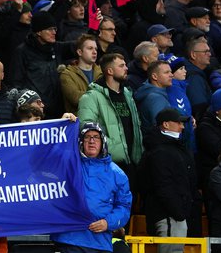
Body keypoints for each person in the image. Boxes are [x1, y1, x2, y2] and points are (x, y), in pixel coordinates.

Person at [51, 123, 131, 253]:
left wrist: (107, 223)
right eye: (87, 137)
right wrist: (61, 126)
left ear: (103, 141)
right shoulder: (68, 163)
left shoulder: (118, 174)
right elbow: (47, 155)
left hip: (100, 242)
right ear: (81, 142)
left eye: (96, 137)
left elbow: (124, 207)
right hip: (69, 240)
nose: (91, 141)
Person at [140, 108, 199, 253]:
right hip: (168, 216)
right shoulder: (159, 151)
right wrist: (178, 212)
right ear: (165, 124)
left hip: (177, 215)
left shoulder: (174, 147)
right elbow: (163, 186)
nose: (182, 126)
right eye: (179, 122)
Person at [78, 53, 143, 175]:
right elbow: (86, 126)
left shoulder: (127, 94)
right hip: (108, 163)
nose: (126, 68)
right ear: (110, 71)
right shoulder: (91, 97)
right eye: (121, 66)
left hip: (131, 162)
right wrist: (112, 147)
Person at [60, 34, 102, 114]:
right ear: (79, 52)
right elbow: (76, 98)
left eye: (96, 49)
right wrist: (100, 95)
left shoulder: (101, 72)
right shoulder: (67, 74)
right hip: (79, 121)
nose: (94, 52)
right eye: (90, 48)